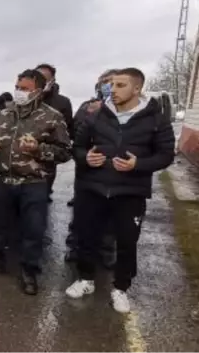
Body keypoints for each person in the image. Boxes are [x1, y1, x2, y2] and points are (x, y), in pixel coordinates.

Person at [65, 68, 175, 313]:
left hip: (130, 192)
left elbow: (166, 154)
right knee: (86, 237)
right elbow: (78, 147)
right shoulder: (95, 115)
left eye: (120, 85)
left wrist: (139, 165)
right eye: (112, 84)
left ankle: (121, 288)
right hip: (92, 189)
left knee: (127, 242)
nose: (113, 90)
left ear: (137, 89)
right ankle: (85, 279)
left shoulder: (155, 119)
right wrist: (86, 158)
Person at [0, 69, 71, 295]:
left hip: (33, 182)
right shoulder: (4, 114)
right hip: (3, 179)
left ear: (38, 90)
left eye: (25, 89)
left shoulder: (52, 117)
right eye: (17, 87)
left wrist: (39, 149)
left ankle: (29, 271)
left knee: (32, 229)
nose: (19, 92)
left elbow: (65, 152)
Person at [65, 69, 118, 263]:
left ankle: (106, 252)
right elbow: (75, 134)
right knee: (82, 214)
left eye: (112, 82)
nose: (108, 86)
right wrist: (90, 115)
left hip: (115, 173)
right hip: (87, 171)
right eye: (104, 82)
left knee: (111, 216)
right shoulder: (87, 106)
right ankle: (75, 247)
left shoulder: (128, 110)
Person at [35, 63, 74, 201]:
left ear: (52, 81)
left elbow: (68, 130)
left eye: (44, 78)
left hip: (47, 159)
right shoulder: (25, 99)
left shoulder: (62, 102)